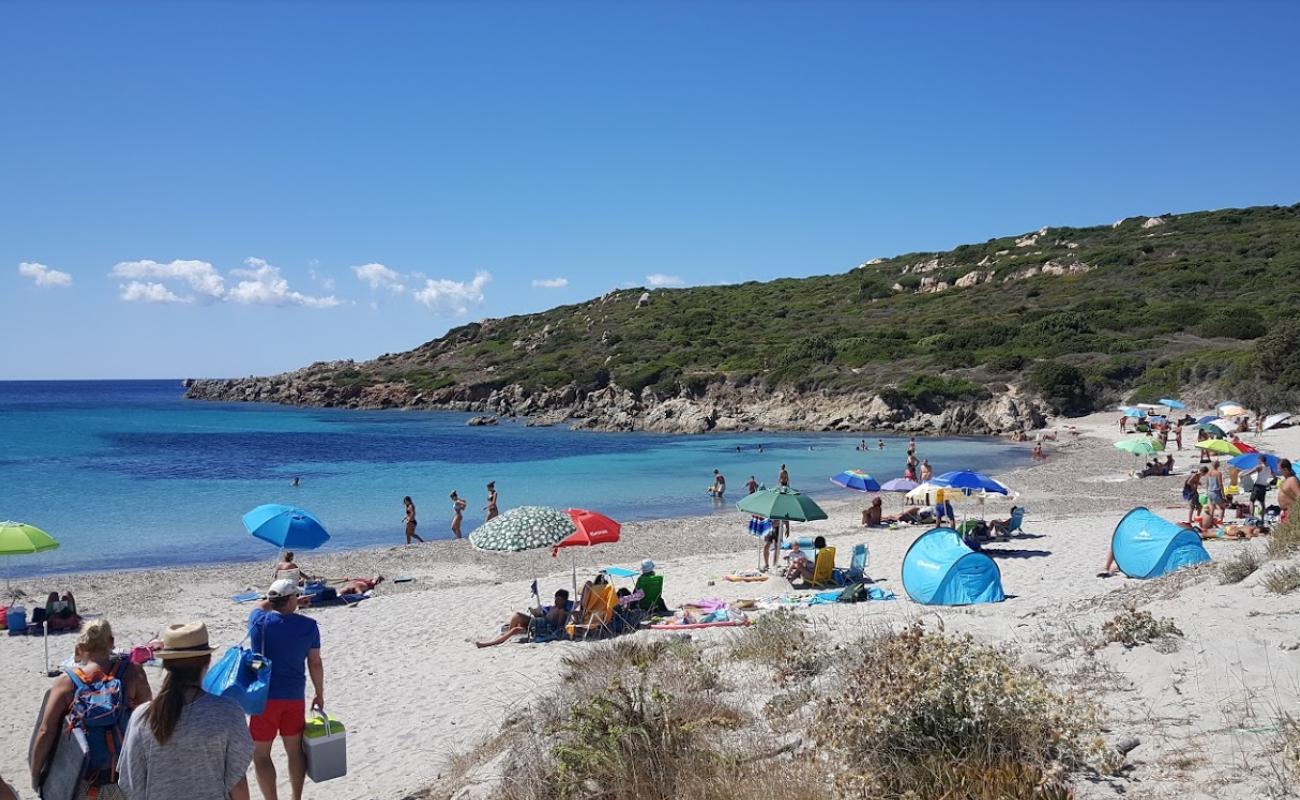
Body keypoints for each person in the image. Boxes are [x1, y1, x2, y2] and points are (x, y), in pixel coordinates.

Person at [118, 622, 254, 800]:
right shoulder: (228, 712)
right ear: (207, 661)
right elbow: (237, 782)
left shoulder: (142, 717)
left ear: (166, 664)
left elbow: (130, 784)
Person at [30, 619, 153, 799]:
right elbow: (148, 724)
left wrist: (35, 773)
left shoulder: (65, 683)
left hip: (83, 781)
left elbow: (45, 731)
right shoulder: (134, 673)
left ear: (80, 647)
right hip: (124, 779)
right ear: (111, 642)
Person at [247, 580, 324, 800]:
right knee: (294, 751)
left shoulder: (258, 622)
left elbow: (261, 606)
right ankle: (296, 798)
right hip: (294, 697)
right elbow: (315, 663)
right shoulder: (309, 626)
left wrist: (281, 602)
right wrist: (320, 693)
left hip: (264, 699)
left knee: (261, 754)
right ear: (291, 599)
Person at [476, 589, 570, 648]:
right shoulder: (552, 607)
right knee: (517, 617)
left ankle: (489, 644)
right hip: (537, 623)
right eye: (556, 598)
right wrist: (537, 613)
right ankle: (505, 635)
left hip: (540, 628)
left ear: (564, 601)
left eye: (559, 599)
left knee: (516, 625)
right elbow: (545, 616)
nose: (557, 601)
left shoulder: (562, 611)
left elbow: (557, 627)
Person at [1205, 460, 1226, 525]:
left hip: (1209, 491)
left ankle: (1210, 521)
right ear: (1218, 465)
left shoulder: (1208, 473)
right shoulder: (1218, 473)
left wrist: (1207, 491)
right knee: (1222, 507)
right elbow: (1220, 484)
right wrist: (1223, 494)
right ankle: (1220, 521)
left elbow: (1207, 483)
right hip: (1216, 492)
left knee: (1212, 508)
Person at [1279, 459, 1299, 524]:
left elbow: (1299, 496)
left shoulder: (1292, 480)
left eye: (1280, 469)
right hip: (1285, 512)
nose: (1278, 471)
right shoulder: (1286, 480)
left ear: (1285, 469)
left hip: (1291, 512)